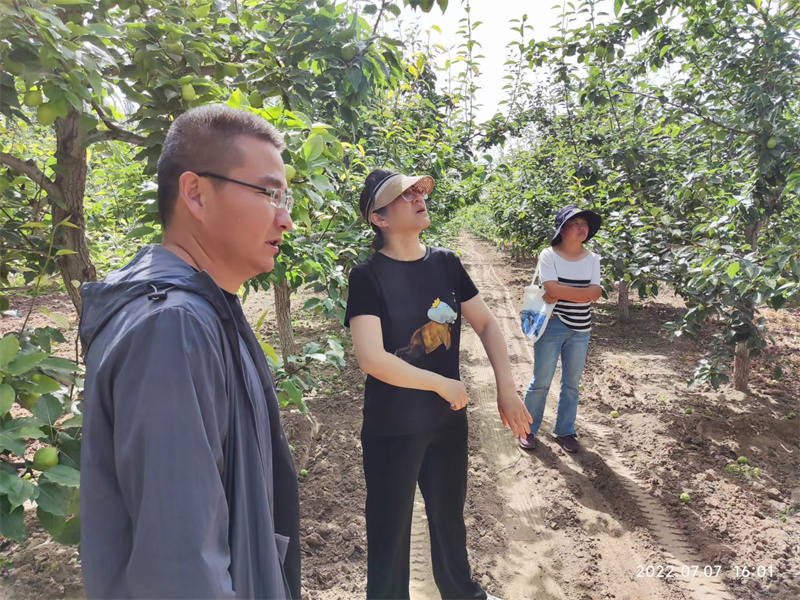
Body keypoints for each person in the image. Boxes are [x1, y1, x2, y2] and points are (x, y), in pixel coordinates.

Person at [79, 104, 301, 598]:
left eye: (286, 198)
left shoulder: (202, 312)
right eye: (269, 194)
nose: (285, 219)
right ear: (196, 194)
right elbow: (180, 569)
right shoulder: (172, 329)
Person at [345, 169, 532, 600]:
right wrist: (442, 384)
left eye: (417, 191)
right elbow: (372, 358)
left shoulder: (445, 263)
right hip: (392, 427)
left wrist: (506, 387)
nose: (417, 197)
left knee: (450, 521)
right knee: (390, 531)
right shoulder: (367, 277)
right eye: (403, 195)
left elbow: (485, 322)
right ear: (379, 218)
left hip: (446, 424)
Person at [518, 205, 603, 453]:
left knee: (572, 384)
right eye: (575, 223)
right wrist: (581, 294)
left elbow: (596, 294)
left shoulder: (593, 259)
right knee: (541, 381)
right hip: (552, 325)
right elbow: (552, 289)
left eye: (584, 224)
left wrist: (563, 293)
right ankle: (527, 429)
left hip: (581, 329)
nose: (581, 227)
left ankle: (565, 430)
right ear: (562, 229)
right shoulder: (549, 255)